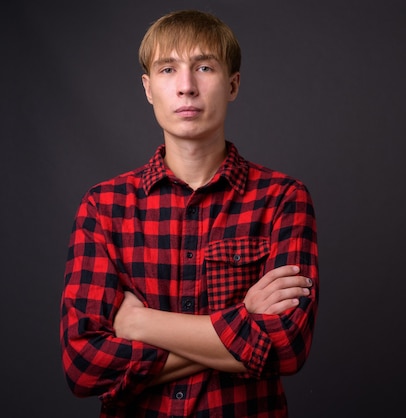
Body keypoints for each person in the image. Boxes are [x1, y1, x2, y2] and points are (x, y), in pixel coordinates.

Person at [60, 9, 319, 418]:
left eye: (203, 67)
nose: (186, 87)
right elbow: (84, 368)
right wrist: (243, 319)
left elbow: (286, 348)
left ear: (232, 84)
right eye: (167, 69)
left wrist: (141, 324)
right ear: (148, 89)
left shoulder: (282, 198)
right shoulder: (103, 206)